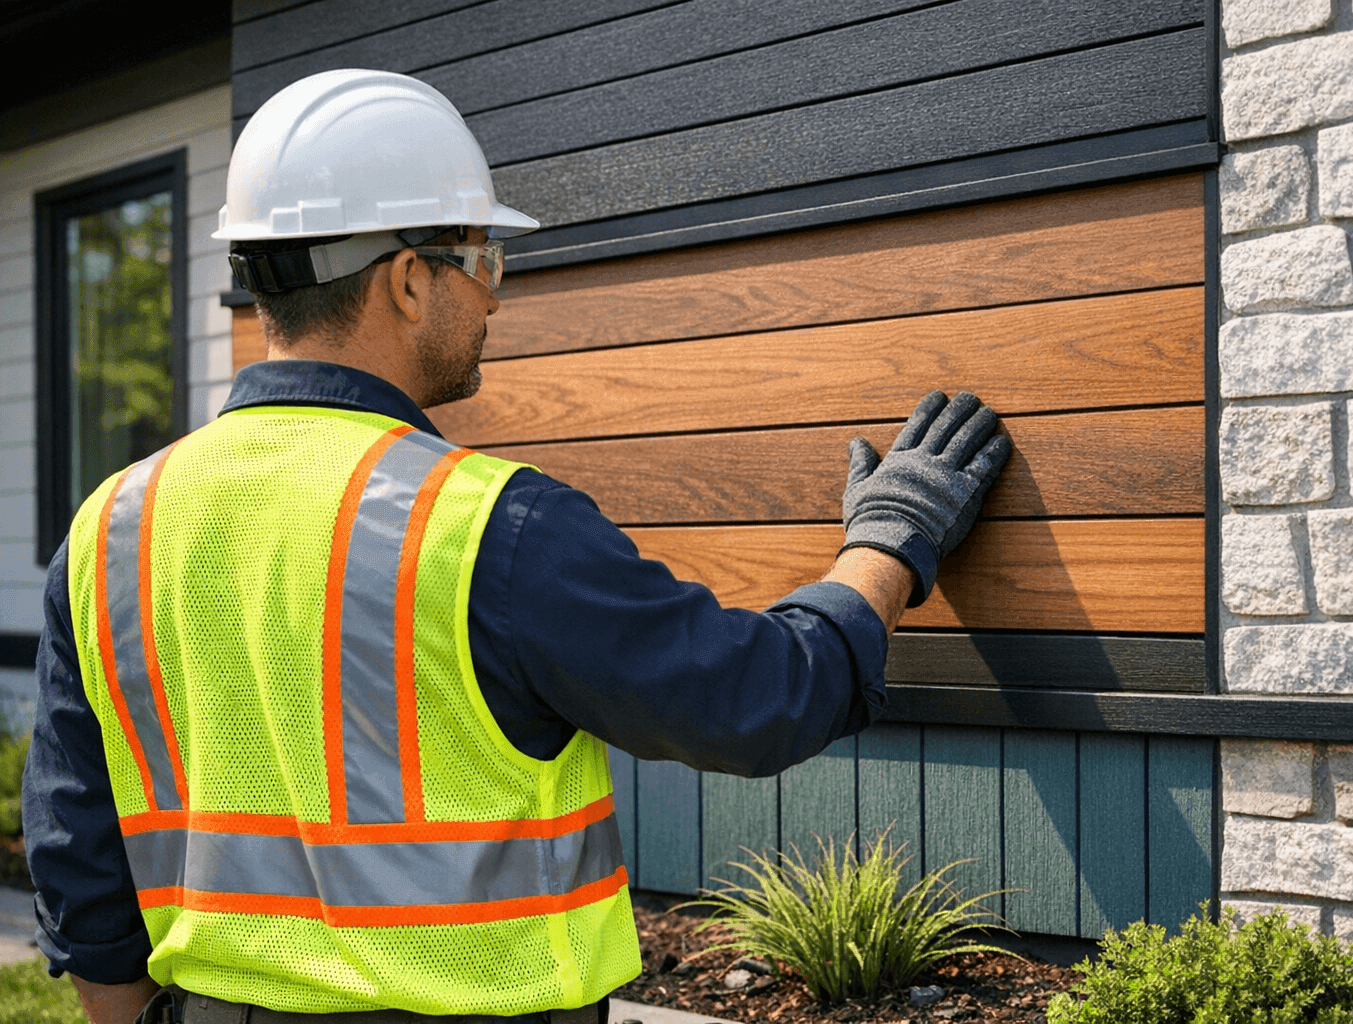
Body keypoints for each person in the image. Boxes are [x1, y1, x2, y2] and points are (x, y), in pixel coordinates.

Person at [23, 70, 1011, 1024]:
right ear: (408, 280)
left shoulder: (112, 528)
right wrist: (891, 540)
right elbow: (755, 698)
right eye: (482, 258)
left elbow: (78, 861)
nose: (493, 297)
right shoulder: (487, 527)